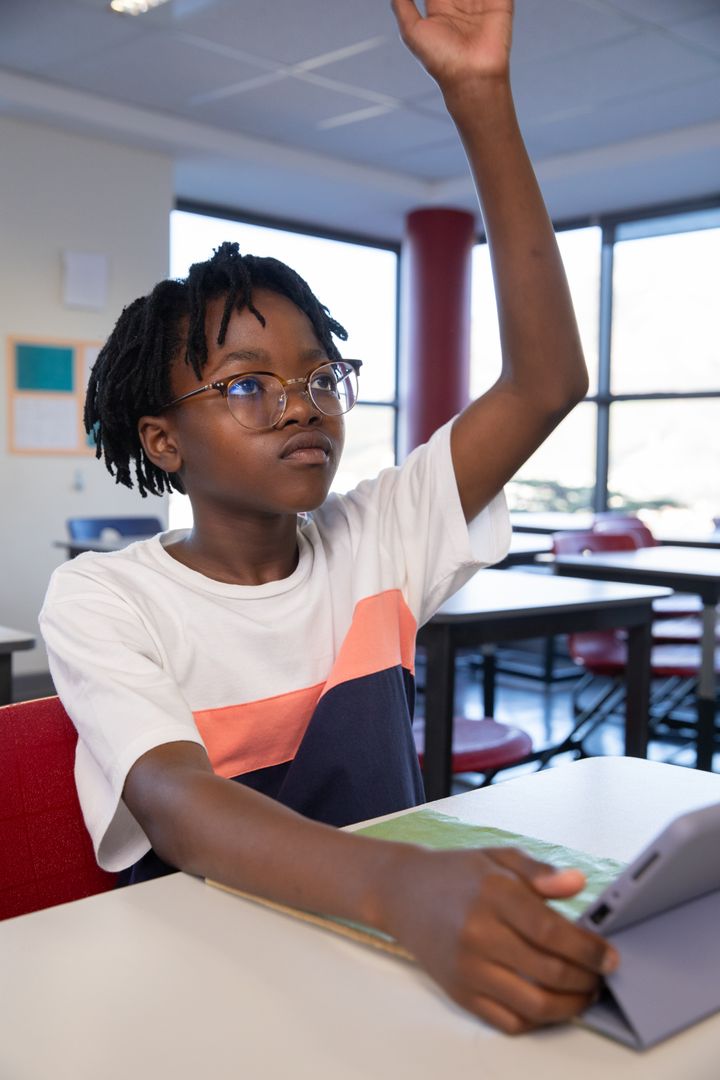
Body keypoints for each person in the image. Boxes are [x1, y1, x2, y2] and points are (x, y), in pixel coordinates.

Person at [40, 0, 618, 1036]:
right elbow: (177, 803)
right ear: (163, 440)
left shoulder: (378, 538)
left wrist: (479, 99)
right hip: (197, 978)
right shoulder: (102, 597)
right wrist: (402, 888)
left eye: (319, 374)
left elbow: (546, 381)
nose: (301, 401)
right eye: (247, 384)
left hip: (383, 964)